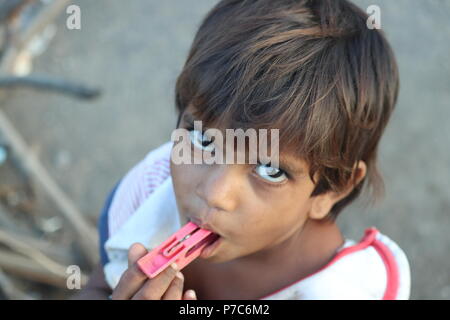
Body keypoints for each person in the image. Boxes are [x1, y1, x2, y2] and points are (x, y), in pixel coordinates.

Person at [73, 0, 410, 300]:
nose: (214, 193)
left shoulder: (345, 289)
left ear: (333, 191)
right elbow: (100, 285)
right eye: (203, 140)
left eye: (269, 169)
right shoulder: (149, 195)